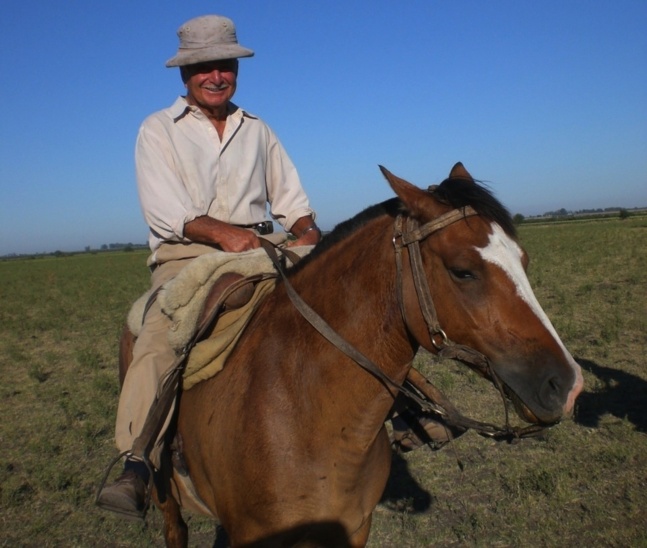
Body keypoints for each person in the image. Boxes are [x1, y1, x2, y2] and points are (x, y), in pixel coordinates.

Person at [97, 14, 320, 518]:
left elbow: (290, 197)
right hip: (187, 254)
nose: (216, 75)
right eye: (203, 67)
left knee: (338, 290)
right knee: (161, 329)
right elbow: (165, 210)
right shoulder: (157, 130)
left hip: (260, 249)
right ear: (185, 74)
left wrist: (307, 229)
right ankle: (137, 460)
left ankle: (409, 409)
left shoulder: (257, 130)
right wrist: (223, 234)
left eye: (225, 65)